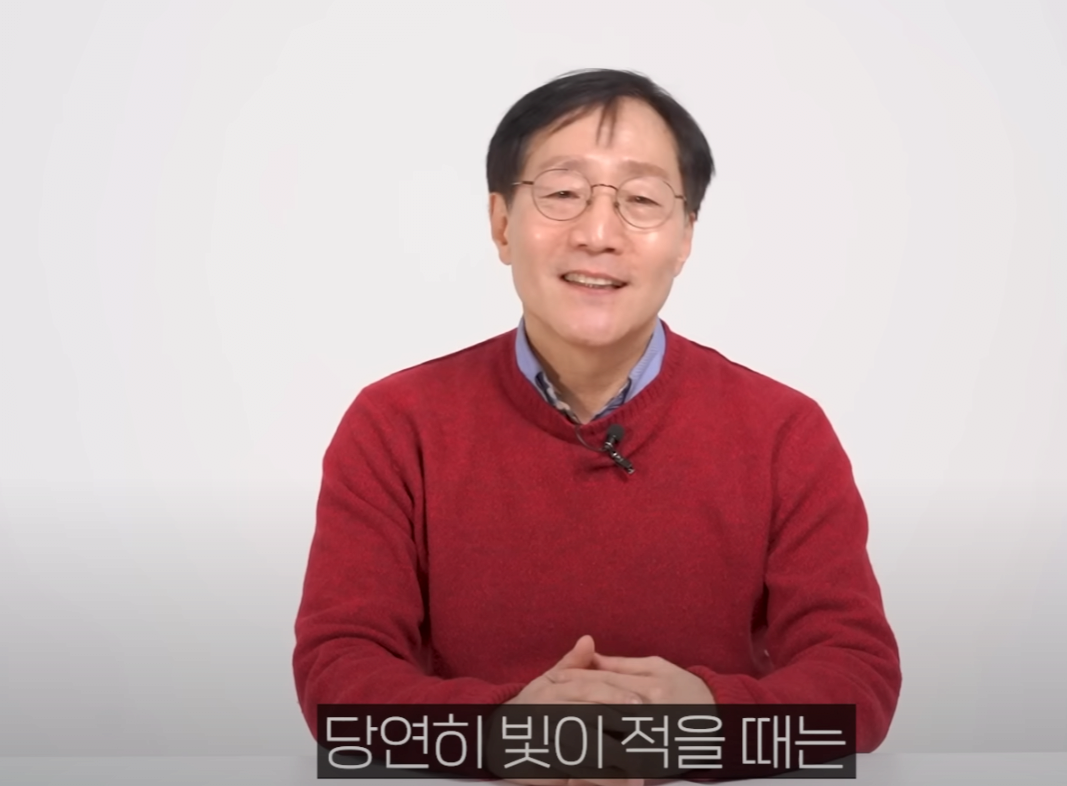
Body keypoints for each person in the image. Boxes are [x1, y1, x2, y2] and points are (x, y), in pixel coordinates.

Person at [292, 68, 902, 773]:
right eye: (562, 193)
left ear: (685, 238)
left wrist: (710, 722)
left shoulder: (782, 432)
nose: (599, 233)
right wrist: (500, 734)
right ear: (501, 224)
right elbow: (337, 684)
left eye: (640, 199)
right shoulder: (396, 425)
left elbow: (859, 689)